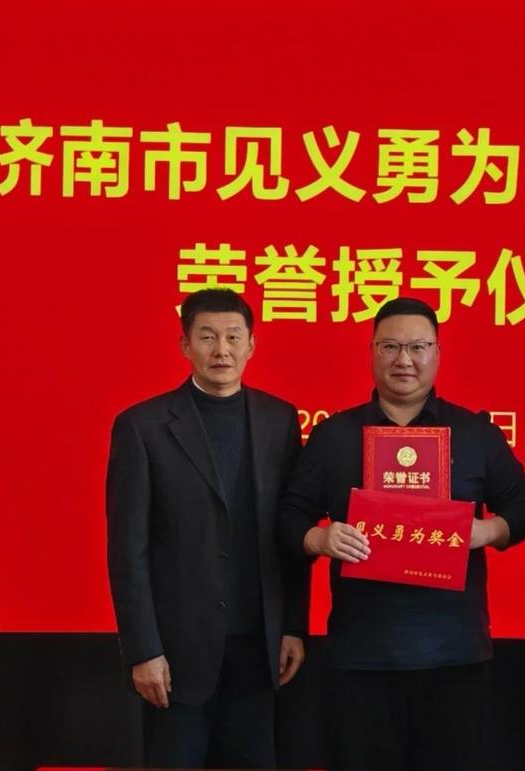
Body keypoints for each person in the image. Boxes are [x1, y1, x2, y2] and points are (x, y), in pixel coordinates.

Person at [278, 297, 525, 771]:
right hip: (362, 654)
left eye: (418, 347)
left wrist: (487, 530)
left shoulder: (474, 433)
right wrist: (319, 539)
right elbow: (291, 515)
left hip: (454, 654)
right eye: (390, 346)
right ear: (372, 351)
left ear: (437, 353)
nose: (404, 359)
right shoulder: (334, 435)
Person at [106, 288, 306, 768]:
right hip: (176, 654)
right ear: (185, 345)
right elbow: (128, 549)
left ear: (251, 344)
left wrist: (294, 626)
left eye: (234, 337)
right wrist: (143, 650)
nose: (222, 350)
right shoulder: (143, 426)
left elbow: (289, 530)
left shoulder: (279, 420)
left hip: (259, 648)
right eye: (208, 336)